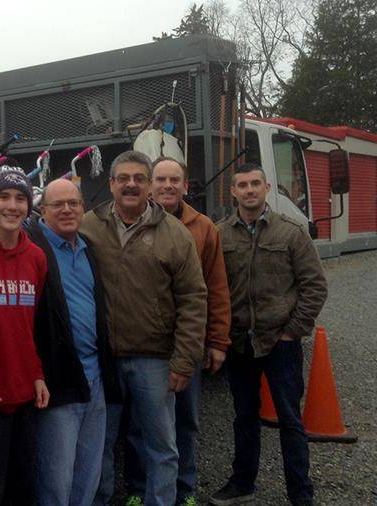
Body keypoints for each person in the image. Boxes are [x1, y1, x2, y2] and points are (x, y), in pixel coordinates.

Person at [81, 150, 207, 506]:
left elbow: (194, 300)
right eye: (123, 178)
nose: (131, 184)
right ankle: (99, 500)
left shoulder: (175, 234)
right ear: (111, 184)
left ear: (150, 185)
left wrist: (184, 360)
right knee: (99, 443)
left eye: (139, 178)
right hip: (103, 359)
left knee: (161, 445)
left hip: (155, 359)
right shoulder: (89, 226)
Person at [210, 163, 327, 506]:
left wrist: (293, 332)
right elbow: (213, 289)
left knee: (291, 420)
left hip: (280, 343)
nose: (249, 190)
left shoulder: (291, 232)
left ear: (266, 187)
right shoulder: (220, 235)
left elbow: (314, 286)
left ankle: (300, 494)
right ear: (232, 191)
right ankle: (243, 484)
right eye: (242, 185)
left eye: (255, 184)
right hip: (239, 344)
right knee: (244, 416)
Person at [123, 156, 232, 506]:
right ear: (150, 185)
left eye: (175, 180)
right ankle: (139, 489)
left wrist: (217, 341)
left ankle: (184, 488)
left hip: (186, 345)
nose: (168, 185)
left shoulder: (203, 228)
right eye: (161, 179)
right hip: (145, 345)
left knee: (185, 420)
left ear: (186, 186)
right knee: (141, 423)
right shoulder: (131, 222)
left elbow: (215, 289)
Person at [25, 179, 122, 506]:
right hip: (58, 380)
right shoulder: (31, 248)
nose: (67, 210)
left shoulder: (88, 248)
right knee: (56, 478)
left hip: (94, 378)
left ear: (83, 208)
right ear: (43, 210)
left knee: (87, 473)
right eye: (58, 204)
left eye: (74, 203)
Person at [0, 165, 50, 506]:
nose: (12, 206)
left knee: (24, 482)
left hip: (25, 394)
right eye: (3, 197)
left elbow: (29, 326)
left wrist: (37, 375)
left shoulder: (36, 257)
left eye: (20, 198)